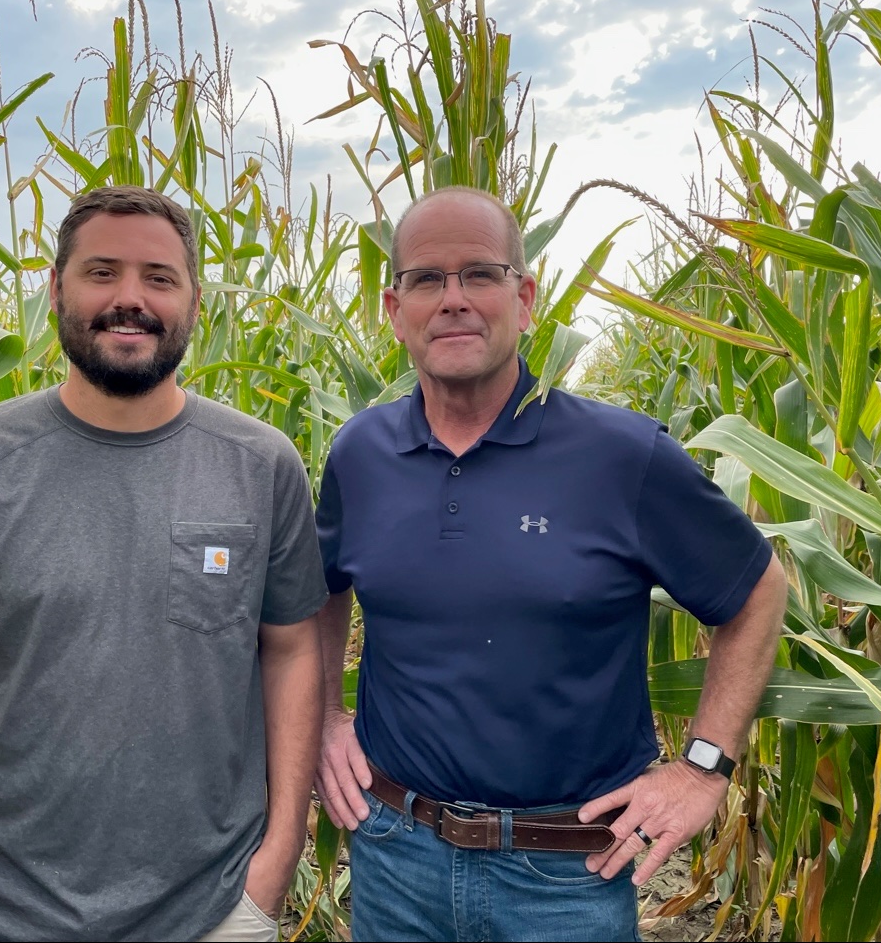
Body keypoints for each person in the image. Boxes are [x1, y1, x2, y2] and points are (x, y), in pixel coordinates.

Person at [0, 186, 329, 942]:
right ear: (55, 288)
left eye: (159, 278)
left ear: (194, 300)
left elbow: (294, 653)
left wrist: (272, 868)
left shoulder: (259, 465)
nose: (130, 298)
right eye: (101, 272)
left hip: (212, 915)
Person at [313, 186, 787, 942]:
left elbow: (756, 590)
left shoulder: (622, 456)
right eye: (426, 279)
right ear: (392, 307)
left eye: (480, 274)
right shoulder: (359, 455)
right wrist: (325, 714)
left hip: (566, 876)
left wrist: (701, 767)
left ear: (524, 297)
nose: (453, 299)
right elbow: (322, 586)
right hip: (395, 854)